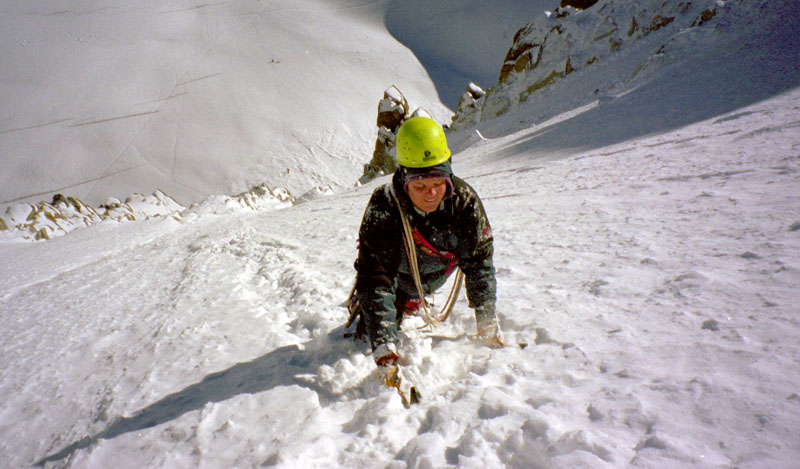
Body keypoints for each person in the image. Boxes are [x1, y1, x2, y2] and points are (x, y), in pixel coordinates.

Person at [348, 116, 504, 369]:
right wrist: (384, 346)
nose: (431, 194)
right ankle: (399, 302)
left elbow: (479, 263)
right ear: (404, 182)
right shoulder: (384, 206)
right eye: (420, 186)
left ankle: (413, 299)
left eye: (438, 183)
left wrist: (486, 321)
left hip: (434, 272)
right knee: (369, 332)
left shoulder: (464, 202)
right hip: (397, 278)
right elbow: (376, 276)